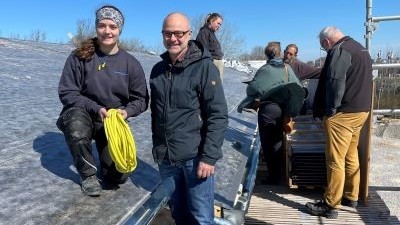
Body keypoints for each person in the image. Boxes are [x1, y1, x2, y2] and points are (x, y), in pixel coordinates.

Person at [56, 5, 149, 197]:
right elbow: (67, 92)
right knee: (75, 124)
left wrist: (127, 112)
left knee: (117, 177)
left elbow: (141, 99)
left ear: (120, 30)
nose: (107, 31)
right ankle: (88, 174)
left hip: (112, 122)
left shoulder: (131, 63)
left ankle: (107, 164)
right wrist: (96, 108)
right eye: (102, 25)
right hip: (85, 114)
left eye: (113, 27)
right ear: (96, 27)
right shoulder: (80, 56)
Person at [150, 12, 228, 225]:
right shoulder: (158, 70)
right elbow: (156, 114)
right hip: (167, 159)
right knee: (179, 214)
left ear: (189, 34)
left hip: (195, 159)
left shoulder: (204, 67)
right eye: (168, 33)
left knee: (201, 218)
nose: (173, 38)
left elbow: (218, 115)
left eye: (178, 33)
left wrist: (209, 157)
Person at [305, 26, 373, 219]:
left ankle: (330, 205)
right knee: (351, 155)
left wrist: (330, 111)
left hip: (342, 114)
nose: (325, 50)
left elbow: (335, 83)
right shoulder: (360, 48)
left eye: (323, 47)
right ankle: (351, 197)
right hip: (361, 111)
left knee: (335, 160)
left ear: (327, 42)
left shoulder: (339, 51)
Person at [238, 42, 305, 185]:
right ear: (280, 54)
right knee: (278, 142)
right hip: (283, 110)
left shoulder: (265, 69)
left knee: (269, 144)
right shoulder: (287, 68)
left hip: (268, 109)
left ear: (267, 54)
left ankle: (274, 177)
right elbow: (298, 87)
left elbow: (252, 89)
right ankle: (280, 173)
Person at [196, 13, 224, 81]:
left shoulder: (211, 33)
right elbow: (203, 51)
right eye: (218, 23)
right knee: (214, 88)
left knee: (217, 87)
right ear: (211, 21)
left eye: (220, 24)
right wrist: (209, 65)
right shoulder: (204, 32)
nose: (219, 26)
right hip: (211, 64)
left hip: (216, 63)